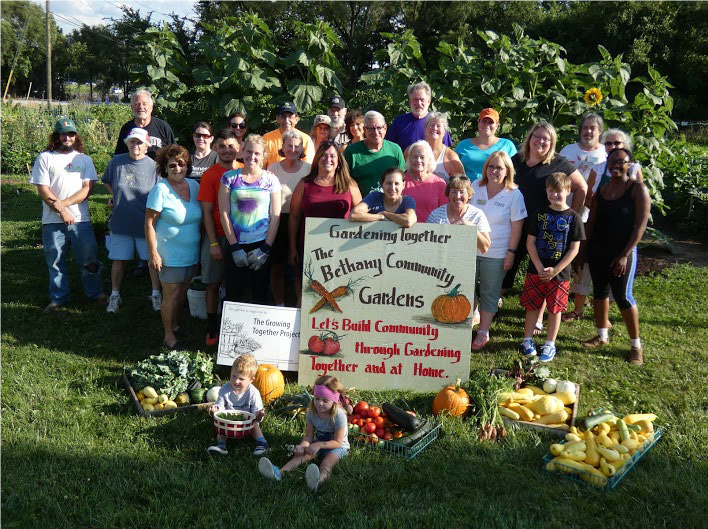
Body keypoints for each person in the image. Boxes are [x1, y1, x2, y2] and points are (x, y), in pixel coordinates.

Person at [503, 122, 587, 334]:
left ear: (552, 143)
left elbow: (581, 187)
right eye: (537, 136)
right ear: (529, 138)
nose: (540, 141)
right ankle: (492, 304)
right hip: (516, 225)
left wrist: (570, 217)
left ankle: (539, 318)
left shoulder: (558, 163)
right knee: (507, 267)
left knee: (541, 273)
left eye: (546, 139)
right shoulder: (517, 162)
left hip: (546, 229)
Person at [580, 148, 651, 366]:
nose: (616, 165)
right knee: (599, 292)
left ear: (630, 164)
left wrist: (625, 255)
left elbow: (640, 226)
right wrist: (582, 252)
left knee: (623, 297)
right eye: (612, 161)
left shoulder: (637, 189)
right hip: (598, 250)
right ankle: (602, 336)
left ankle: (636, 346)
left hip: (622, 253)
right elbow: (591, 222)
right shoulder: (602, 190)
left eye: (621, 161)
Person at [30, 118, 105, 312]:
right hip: (52, 221)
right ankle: (58, 298)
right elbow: (43, 189)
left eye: (71, 134)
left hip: (81, 220)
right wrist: (61, 210)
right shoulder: (45, 157)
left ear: (76, 136)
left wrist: (64, 204)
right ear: (56, 136)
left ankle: (95, 293)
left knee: (89, 260)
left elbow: (87, 189)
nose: (67, 137)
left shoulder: (83, 159)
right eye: (63, 133)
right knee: (55, 261)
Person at [519, 172, 585, 363]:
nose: (555, 195)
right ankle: (527, 340)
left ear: (568, 191)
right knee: (532, 306)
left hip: (560, 274)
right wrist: (539, 266)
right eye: (551, 191)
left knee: (555, 309)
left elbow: (574, 249)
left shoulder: (574, 218)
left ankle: (549, 344)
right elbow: (530, 242)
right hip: (536, 270)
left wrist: (556, 270)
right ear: (547, 191)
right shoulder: (539, 214)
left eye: (559, 191)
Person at [289, 141, 362, 306]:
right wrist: (293, 248)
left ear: (338, 161)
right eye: (323, 155)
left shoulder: (349, 185)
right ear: (317, 159)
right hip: (309, 249)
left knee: (338, 293)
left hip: (341, 250)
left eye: (332, 156)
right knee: (307, 291)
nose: (327, 159)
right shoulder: (304, 184)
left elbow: (361, 215)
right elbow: (294, 217)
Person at [146, 145, 202, 350]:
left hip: (191, 253)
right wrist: (153, 253)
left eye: (181, 164)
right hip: (169, 254)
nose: (177, 168)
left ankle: (176, 325)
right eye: (172, 165)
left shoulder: (194, 187)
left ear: (187, 166)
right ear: (165, 168)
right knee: (171, 295)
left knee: (182, 292)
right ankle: (168, 337)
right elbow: (149, 223)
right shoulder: (160, 190)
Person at [470, 152, 527, 350]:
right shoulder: (476, 186)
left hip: (496, 252)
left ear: (507, 171)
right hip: (469, 249)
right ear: (486, 168)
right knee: (467, 289)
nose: (495, 171)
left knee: (489, 292)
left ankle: (483, 331)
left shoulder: (514, 194)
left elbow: (517, 228)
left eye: (499, 168)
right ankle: (467, 320)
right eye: (491, 167)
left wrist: (511, 253)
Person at [102, 127, 161, 314]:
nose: (136, 145)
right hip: (121, 222)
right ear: (127, 143)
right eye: (132, 142)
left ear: (146, 146)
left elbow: (159, 193)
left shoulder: (153, 166)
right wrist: (116, 195)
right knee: (119, 260)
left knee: (152, 261)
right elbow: (106, 181)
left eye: (139, 142)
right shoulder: (117, 162)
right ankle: (115, 296)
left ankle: (156, 294)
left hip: (145, 224)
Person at [218, 134, 281, 305]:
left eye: (257, 153)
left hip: (261, 244)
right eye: (249, 151)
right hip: (235, 244)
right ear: (242, 151)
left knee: (259, 295)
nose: (252, 156)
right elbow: (224, 213)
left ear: (264, 156)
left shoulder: (271, 180)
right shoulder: (229, 178)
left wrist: (266, 248)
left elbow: (275, 216)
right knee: (233, 295)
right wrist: (234, 246)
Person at [258, 375, 350, 491]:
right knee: (302, 456)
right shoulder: (311, 412)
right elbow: (308, 436)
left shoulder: (339, 415)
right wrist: (302, 446)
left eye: (325, 400)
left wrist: (319, 445)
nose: (320, 403)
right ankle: (279, 473)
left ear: (334, 400)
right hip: (318, 443)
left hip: (337, 446)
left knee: (327, 463)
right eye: (317, 398)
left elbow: (337, 442)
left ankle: (318, 481)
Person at [559, 114, 608, 323]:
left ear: (600, 132)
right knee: (562, 251)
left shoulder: (605, 153)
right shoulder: (568, 150)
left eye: (593, 128)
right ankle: (561, 295)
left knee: (582, 258)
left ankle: (580, 302)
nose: (588, 131)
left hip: (590, 213)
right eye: (585, 127)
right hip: (563, 209)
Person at [198, 129, 242, 346]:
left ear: (239, 148)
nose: (227, 150)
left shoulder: (245, 171)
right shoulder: (211, 174)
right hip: (218, 236)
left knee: (236, 284)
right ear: (216, 148)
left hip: (242, 238)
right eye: (222, 146)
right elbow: (206, 211)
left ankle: (234, 325)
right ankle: (212, 325)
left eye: (231, 146)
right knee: (212, 283)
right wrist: (214, 242)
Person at [268, 130, 311, 306]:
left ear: (302, 148)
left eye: (297, 146)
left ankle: (301, 303)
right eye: (289, 145)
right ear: (282, 147)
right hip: (278, 221)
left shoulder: (309, 169)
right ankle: (279, 303)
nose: (293, 149)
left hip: (302, 222)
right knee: (277, 266)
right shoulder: (272, 169)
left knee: (298, 265)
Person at [207, 354, 268, 456]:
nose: (236, 381)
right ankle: (221, 445)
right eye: (234, 376)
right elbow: (220, 407)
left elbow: (255, 415)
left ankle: (262, 443)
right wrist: (215, 409)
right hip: (229, 422)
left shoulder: (253, 393)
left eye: (241, 379)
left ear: (251, 380)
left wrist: (259, 415)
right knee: (221, 426)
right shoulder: (225, 389)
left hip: (246, 424)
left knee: (255, 425)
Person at [343, 111, 405, 196]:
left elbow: (403, 180)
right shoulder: (351, 152)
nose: (376, 132)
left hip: (391, 206)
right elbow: (343, 181)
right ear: (365, 130)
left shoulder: (395, 150)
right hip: (361, 206)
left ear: (385, 128)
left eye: (379, 128)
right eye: (371, 129)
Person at [426, 175, 491, 254]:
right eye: (454, 192)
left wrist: (473, 229)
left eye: (462, 192)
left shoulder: (477, 215)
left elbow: (485, 248)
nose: (458, 196)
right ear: (448, 194)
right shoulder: (435, 215)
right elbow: (427, 246)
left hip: (466, 263)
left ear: (469, 195)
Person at [386, 81, 452, 152]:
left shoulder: (438, 124)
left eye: (422, 100)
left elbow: (446, 151)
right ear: (410, 102)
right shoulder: (399, 122)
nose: (418, 103)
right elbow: (390, 149)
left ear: (429, 102)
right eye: (415, 100)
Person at [454, 108, 517, 181]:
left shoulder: (507, 145)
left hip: (497, 189)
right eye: (484, 121)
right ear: (478, 123)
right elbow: (454, 171)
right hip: (468, 189)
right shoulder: (463, 145)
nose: (487, 125)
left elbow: (514, 170)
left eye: (491, 122)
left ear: (497, 125)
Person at [114, 89, 175, 159]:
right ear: (132, 108)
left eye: (144, 104)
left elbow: (174, 153)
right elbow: (118, 157)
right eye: (136, 104)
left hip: (157, 169)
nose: (141, 107)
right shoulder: (126, 129)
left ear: (151, 107)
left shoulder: (163, 127)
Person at [404, 112, 464, 182]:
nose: (434, 128)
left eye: (438, 126)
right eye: (431, 125)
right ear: (425, 129)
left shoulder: (451, 157)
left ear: (444, 131)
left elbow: (461, 184)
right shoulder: (411, 150)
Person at [350, 167, 417, 227]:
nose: (392, 188)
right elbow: (354, 214)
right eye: (388, 183)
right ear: (382, 184)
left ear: (403, 185)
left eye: (396, 184)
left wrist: (385, 214)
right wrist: (380, 217)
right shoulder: (374, 197)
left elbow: (409, 221)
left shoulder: (407, 201)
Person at [403, 140, 448, 223]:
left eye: (422, 157)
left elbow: (445, 213)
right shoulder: (400, 181)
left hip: (431, 232)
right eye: (415, 157)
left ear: (429, 159)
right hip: (402, 232)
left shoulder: (439, 184)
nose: (418, 160)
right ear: (409, 159)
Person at [263, 101, 315, 168]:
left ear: (296, 119)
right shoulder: (267, 138)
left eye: (290, 117)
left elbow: (308, 167)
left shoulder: (305, 139)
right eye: (283, 117)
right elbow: (261, 165)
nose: (286, 121)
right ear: (277, 119)